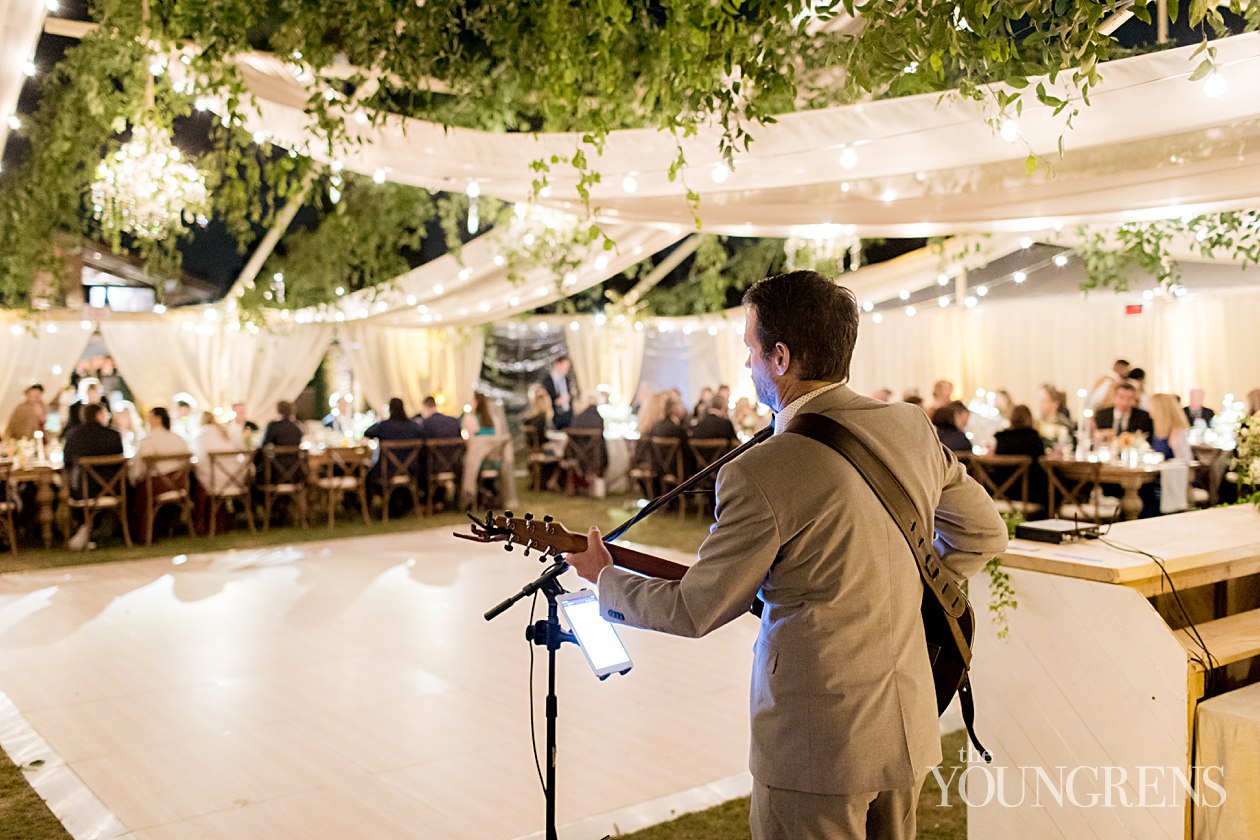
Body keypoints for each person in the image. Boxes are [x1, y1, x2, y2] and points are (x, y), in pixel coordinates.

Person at [565, 270, 1006, 840]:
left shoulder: (761, 469)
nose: (747, 365)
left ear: (780, 357)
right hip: (907, 719)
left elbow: (696, 608)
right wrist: (908, 577)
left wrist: (606, 580)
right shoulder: (910, 426)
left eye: (750, 349)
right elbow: (984, 534)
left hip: (815, 741)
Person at [62, 402, 125, 549]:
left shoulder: (73, 437)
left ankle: (88, 529)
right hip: (112, 490)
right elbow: (120, 464)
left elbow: (67, 465)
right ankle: (106, 533)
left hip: (83, 492)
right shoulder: (113, 436)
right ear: (99, 415)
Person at [993, 404, 1048, 509]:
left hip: (1001, 494)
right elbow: (1041, 465)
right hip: (1028, 496)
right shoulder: (1033, 439)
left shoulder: (1002, 439)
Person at [128, 407, 192, 485]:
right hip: (179, 485)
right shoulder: (179, 439)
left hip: (155, 487)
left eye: (149, 418)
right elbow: (187, 464)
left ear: (158, 419)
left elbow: (137, 471)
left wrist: (133, 480)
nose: (147, 421)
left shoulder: (147, 441)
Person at [193, 411, 247, 495]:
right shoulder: (227, 432)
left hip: (215, 484)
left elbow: (199, 460)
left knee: (195, 477)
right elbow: (244, 452)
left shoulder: (201, 435)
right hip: (238, 481)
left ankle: (206, 507)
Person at [1149, 393, 1192, 461]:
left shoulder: (1177, 432)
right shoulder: (1158, 430)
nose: (1149, 409)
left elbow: (1185, 459)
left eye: (1152, 406)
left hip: (1173, 470)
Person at [541, 356, 577, 429]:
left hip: (568, 417)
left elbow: (570, 394)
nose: (566, 370)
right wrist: (555, 401)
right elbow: (543, 398)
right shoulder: (546, 381)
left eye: (568, 368)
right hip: (554, 417)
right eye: (565, 367)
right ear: (557, 365)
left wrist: (569, 397)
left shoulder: (567, 380)